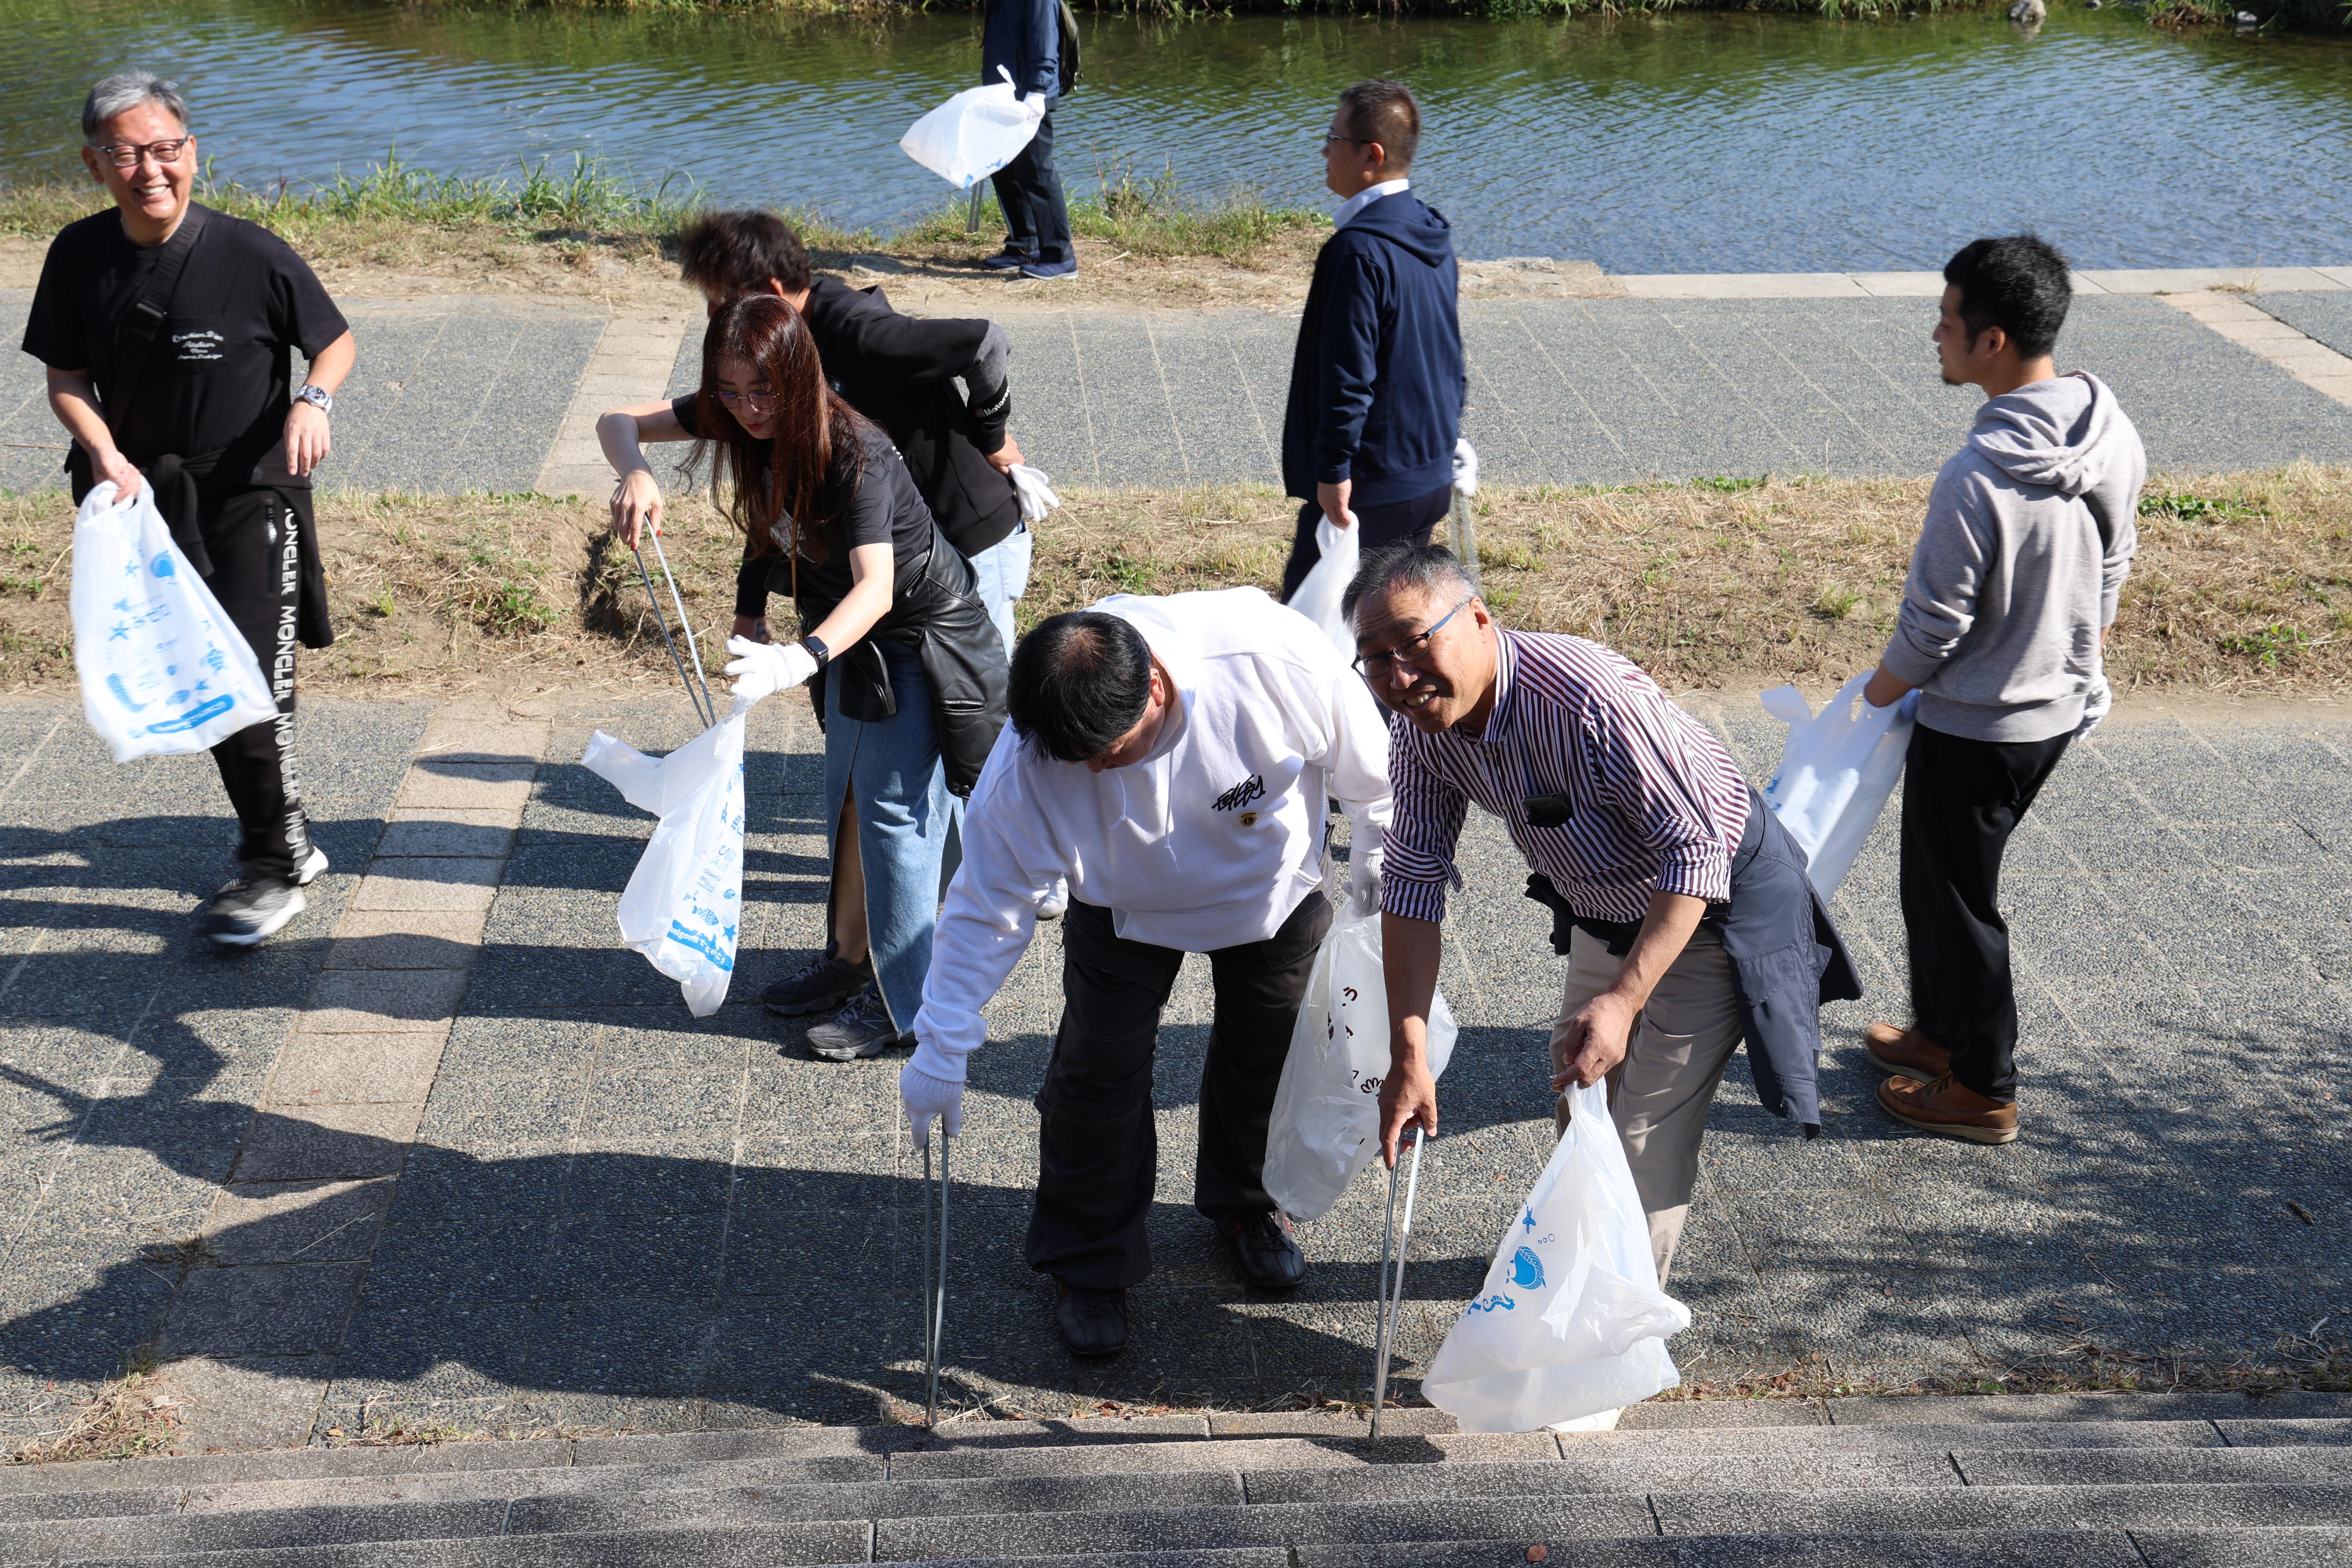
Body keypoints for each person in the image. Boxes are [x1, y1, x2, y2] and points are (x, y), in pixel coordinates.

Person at [898, 592, 1392, 1358]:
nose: (1097, 769)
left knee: (1269, 1050)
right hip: (1119, 903)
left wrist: (1370, 897)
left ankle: (1249, 1203)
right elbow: (989, 905)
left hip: (1271, 888)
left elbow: (1375, 783)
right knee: (1098, 1074)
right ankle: (1089, 1260)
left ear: (1156, 689)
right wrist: (943, 1039)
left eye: (1112, 751)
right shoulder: (1026, 765)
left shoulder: (1271, 660)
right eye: (1080, 762)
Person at [1359, 544, 1858, 1290]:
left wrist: (1626, 1000)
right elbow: (1412, 882)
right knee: (1580, 1096)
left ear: (1480, 619)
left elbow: (1695, 851)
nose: (1399, 678)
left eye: (1415, 644)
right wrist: (1408, 1052)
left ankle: (1613, 1339)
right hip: (1605, 905)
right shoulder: (1420, 727)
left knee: (1638, 1140)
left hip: (1713, 904)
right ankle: (1567, 1265)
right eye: (1375, 658)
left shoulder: (1589, 698)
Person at [598, 294, 1007, 1062]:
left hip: (920, 636)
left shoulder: (859, 454)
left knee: (893, 814)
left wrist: (799, 656)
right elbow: (617, 422)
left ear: (798, 376)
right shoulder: (738, 413)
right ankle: (850, 962)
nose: (747, 410)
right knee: (848, 797)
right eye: (729, 392)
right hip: (845, 635)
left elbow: (877, 588)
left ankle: (906, 1005)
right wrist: (639, 475)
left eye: (763, 392)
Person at [22, 70, 355, 946]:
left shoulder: (253, 253)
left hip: (251, 492)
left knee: (249, 682)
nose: (151, 171)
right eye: (128, 155)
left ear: (192, 153)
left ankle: (273, 864)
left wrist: (311, 402)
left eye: (166, 150)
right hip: (138, 501)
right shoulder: (76, 255)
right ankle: (286, 840)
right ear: (96, 165)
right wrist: (103, 454)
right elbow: (66, 377)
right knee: (200, 684)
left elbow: (334, 340)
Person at [1860, 235, 2142, 1147]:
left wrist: (1873, 695)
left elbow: (1933, 627)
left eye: (1946, 322)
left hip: (1981, 723)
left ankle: (1984, 1086)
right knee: (1933, 883)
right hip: (2056, 707)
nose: (1932, 335)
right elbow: (2117, 555)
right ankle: (1939, 1033)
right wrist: (2081, 650)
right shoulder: (2108, 428)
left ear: (1990, 342)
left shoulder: (1974, 475)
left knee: (1961, 903)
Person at [670, 211, 1035, 657]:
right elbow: (778, 484)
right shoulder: (778, 363)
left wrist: (992, 437)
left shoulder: (859, 333)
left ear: (771, 291)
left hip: (972, 539)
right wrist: (751, 604)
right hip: (909, 555)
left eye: (722, 297)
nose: (712, 313)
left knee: (987, 703)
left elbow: (986, 343)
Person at [1278, 80, 1465, 605]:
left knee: (1311, 628)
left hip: (1370, 485)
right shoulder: (1430, 232)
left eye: (1333, 137)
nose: (1323, 150)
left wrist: (1334, 471)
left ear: (1372, 155)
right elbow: (1451, 358)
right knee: (1393, 628)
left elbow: (1347, 374)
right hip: (1425, 475)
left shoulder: (1358, 251)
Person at [980, 0, 1076, 281]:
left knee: (1036, 172)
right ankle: (1024, 246)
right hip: (1004, 93)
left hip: (1031, 94)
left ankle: (1060, 257)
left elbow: (1045, 38)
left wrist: (1038, 91)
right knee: (1005, 169)